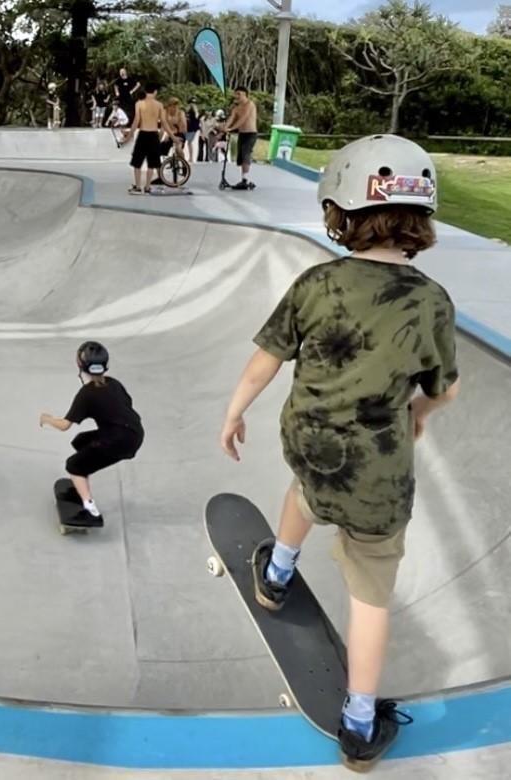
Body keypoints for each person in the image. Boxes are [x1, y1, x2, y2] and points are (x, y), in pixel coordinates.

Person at [219, 134, 460, 772]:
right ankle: (358, 724)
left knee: (304, 489)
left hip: (311, 443)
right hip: (379, 471)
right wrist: (419, 415)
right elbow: (446, 388)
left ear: (340, 212)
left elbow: (265, 358)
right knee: (371, 593)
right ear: (422, 217)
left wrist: (235, 409)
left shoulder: (317, 281)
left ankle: (276, 575)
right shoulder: (431, 301)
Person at [40, 341, 144, 523]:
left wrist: (47, 419)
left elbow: (65, 425)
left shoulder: (86, 394)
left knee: (74, 465)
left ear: (80, 365)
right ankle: (79, 488)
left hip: (117, 441)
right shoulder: (114, 384)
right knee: (81, 442)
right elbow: (126, 406)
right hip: (135, 433)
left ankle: (91, 511)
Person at [128, 85, 165, 194]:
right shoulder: (159, 105)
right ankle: (148, 186)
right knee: (152, 162)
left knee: (137, 161)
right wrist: (172, 135)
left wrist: (129, 134)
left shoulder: (139, 104)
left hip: (143, 133)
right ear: (155, 91)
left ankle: (137, 186)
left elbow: (137, 121)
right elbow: (163, 122)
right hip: (153, 134)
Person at [220, 87, 259, 189]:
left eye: (239, 94)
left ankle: (245, 180)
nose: (237, 96)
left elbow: (243, 119)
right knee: (241, 156)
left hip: (250, 133)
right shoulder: (236, 108)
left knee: (246, 153)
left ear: (245, 94)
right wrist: (225, 128)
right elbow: (231, 119)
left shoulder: (250, 105)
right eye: (236, 94)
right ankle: (243, 179)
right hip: (242, 134)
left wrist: (232, 128)